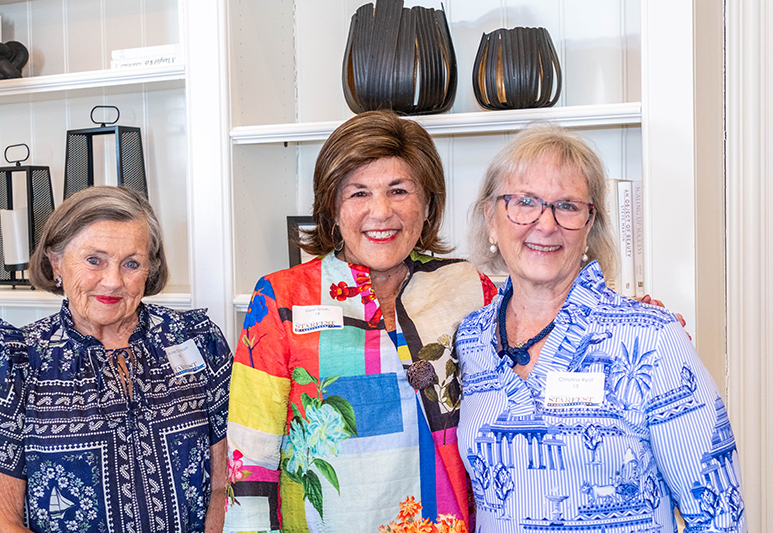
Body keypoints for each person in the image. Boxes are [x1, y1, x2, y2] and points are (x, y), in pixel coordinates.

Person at [456, 124, 746, 532]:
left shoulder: (649, 337)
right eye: (525, 202)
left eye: (567, 206)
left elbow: (720, 513)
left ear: (590, 224)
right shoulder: (470, 339)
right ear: (491, 218)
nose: (546, 224)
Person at [225, 110, 496, 532]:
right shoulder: (281, 298)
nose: (381, 211)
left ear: (427, 204)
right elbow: (250, 456)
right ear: (332, 208)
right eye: (359, 193)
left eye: (399, 190)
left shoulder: (470, 288)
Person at [0, 186, 232, 533]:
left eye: (131, 264)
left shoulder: (198, 340)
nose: (112, 282)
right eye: (94, 260)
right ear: (56, 262)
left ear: (150, 269)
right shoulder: (14, 363)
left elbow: (224, 487)